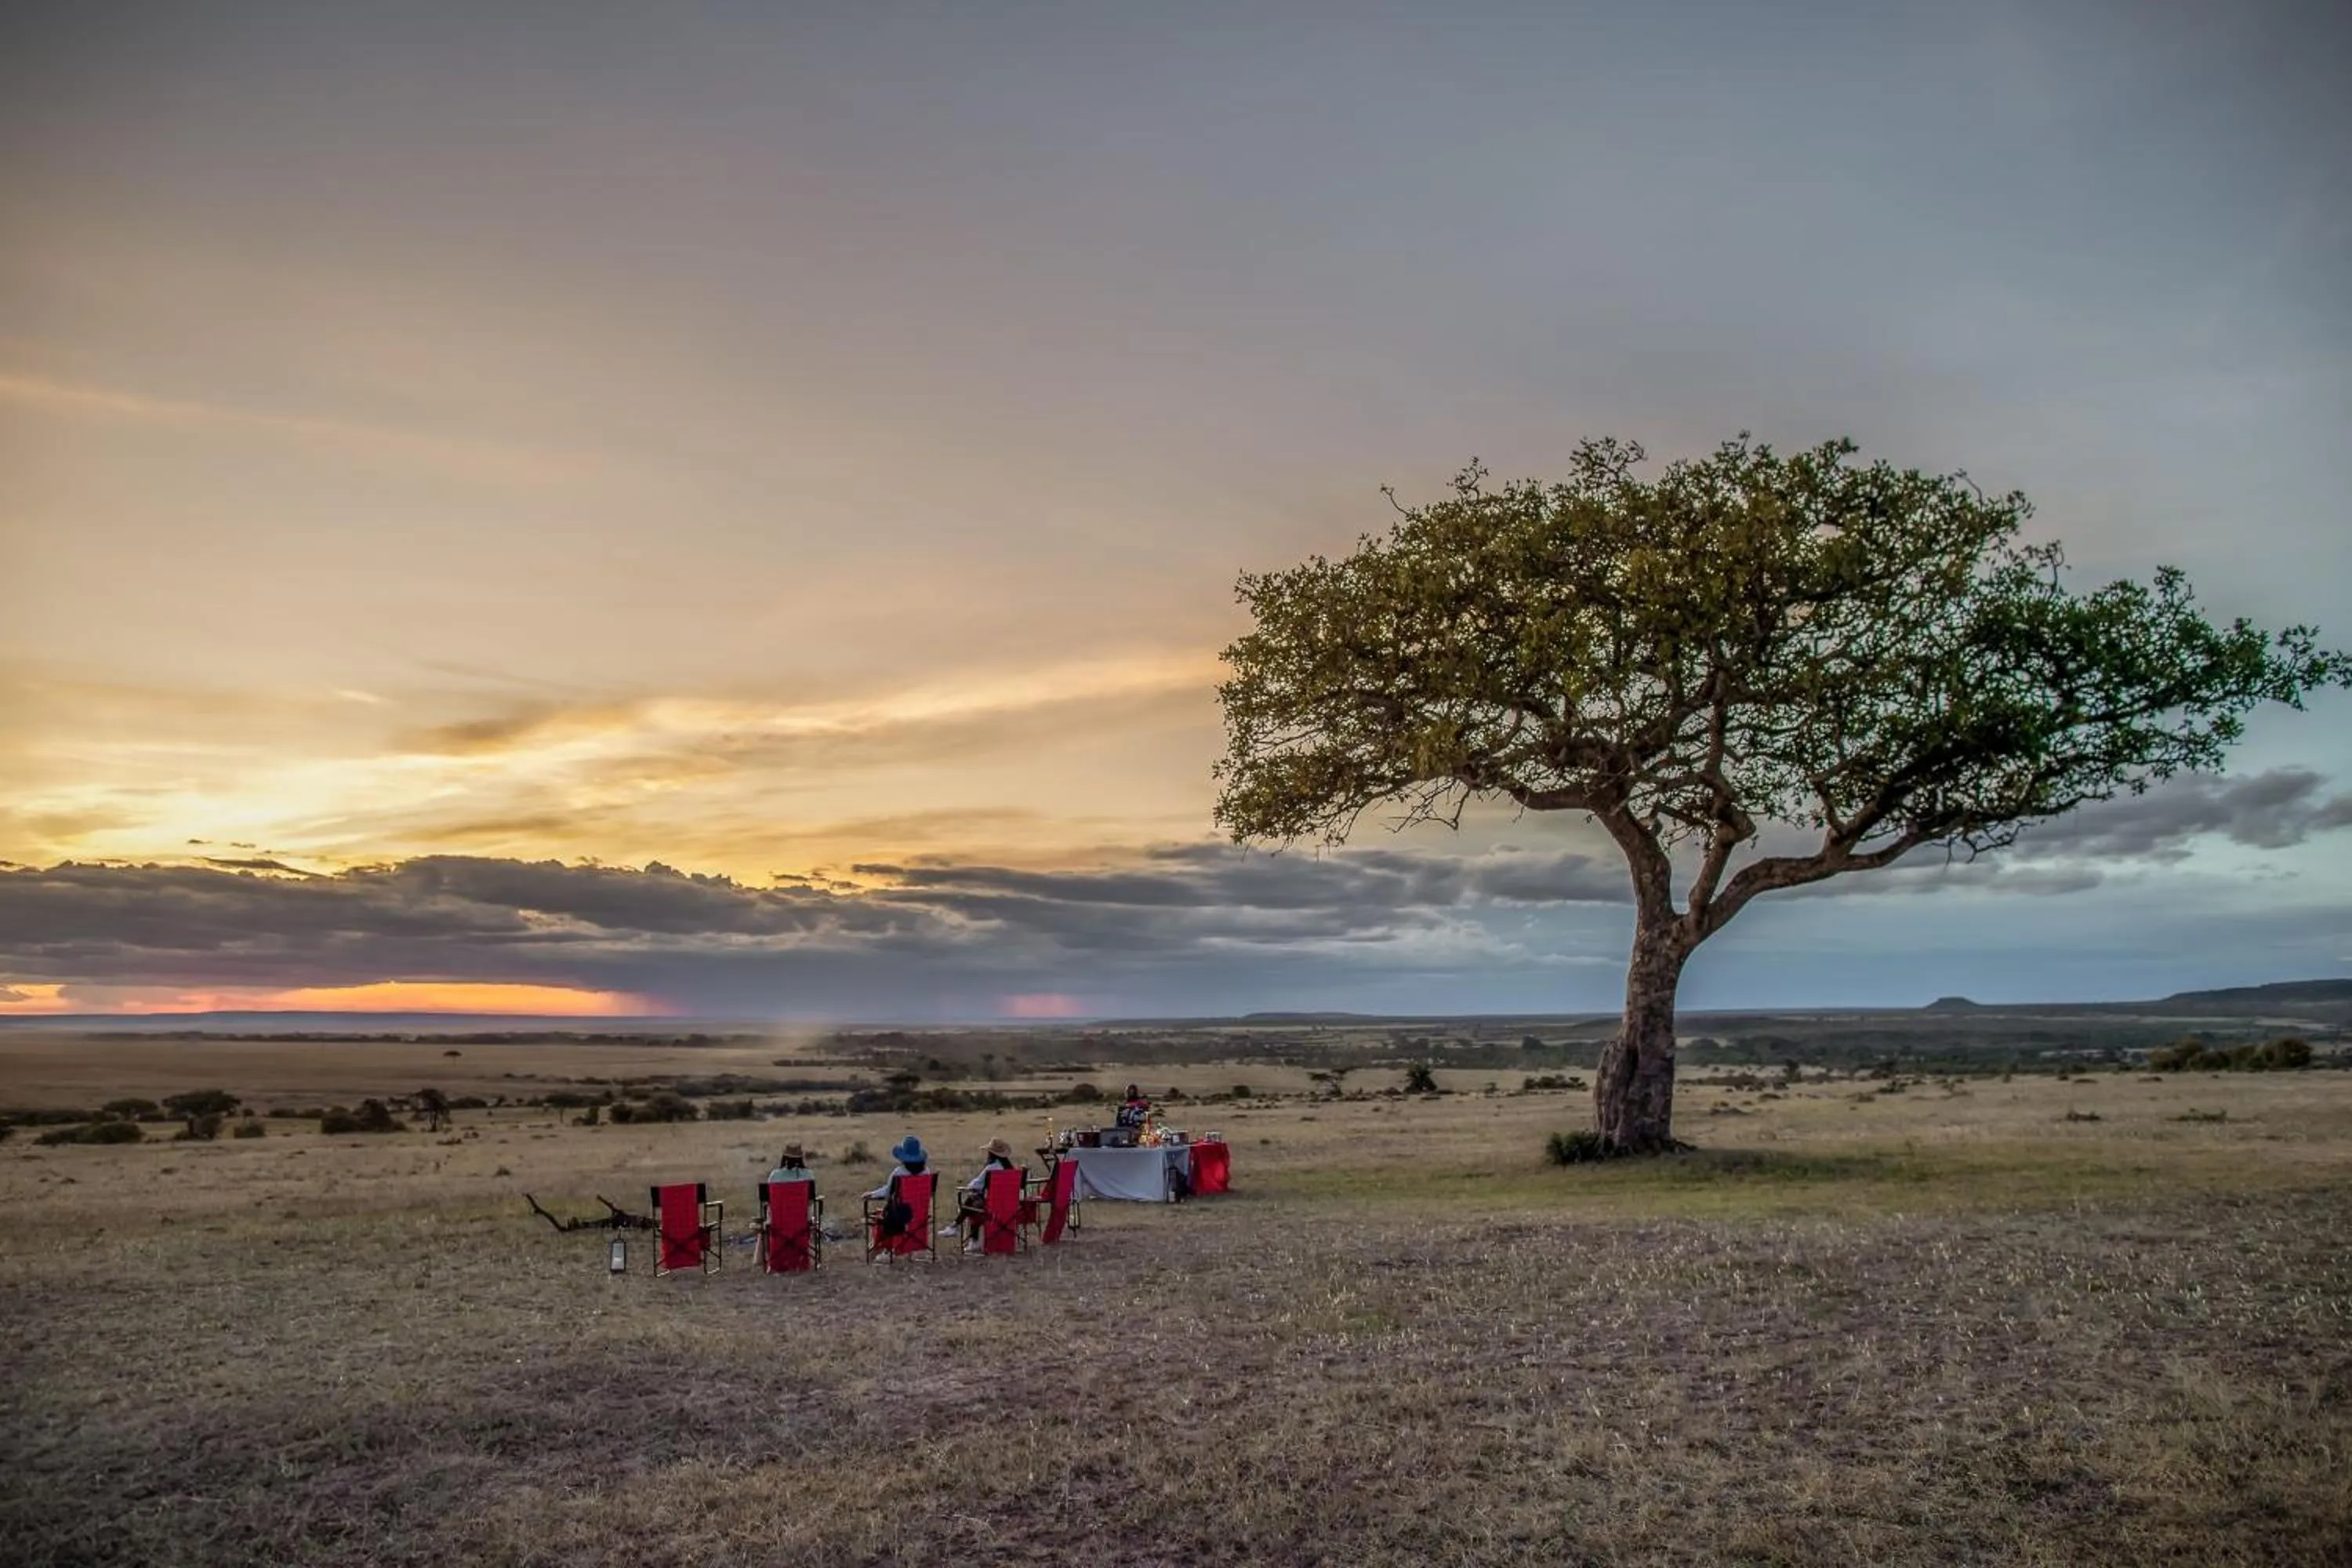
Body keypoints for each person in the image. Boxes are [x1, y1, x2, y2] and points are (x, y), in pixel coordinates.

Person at [864, 1135, 930, 1259]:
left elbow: (888, 1192)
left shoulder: (899, 1172)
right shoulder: (926, 1172)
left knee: (883, 1218)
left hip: (901, 1215)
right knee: (887, 1215)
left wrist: (872, 1194)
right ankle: (893, 1249)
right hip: (920, 1214)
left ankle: (885, 1250)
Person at [953, 1137, 1019, 1251]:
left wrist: (968, 1187)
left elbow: (975, 1185)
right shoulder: (1011, 1170)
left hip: (991, 1207)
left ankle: (971, 1239)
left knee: (971, 1204)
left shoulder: (991, 1168)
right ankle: (956, 1227)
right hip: (1010, 1208)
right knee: (973, 1202)